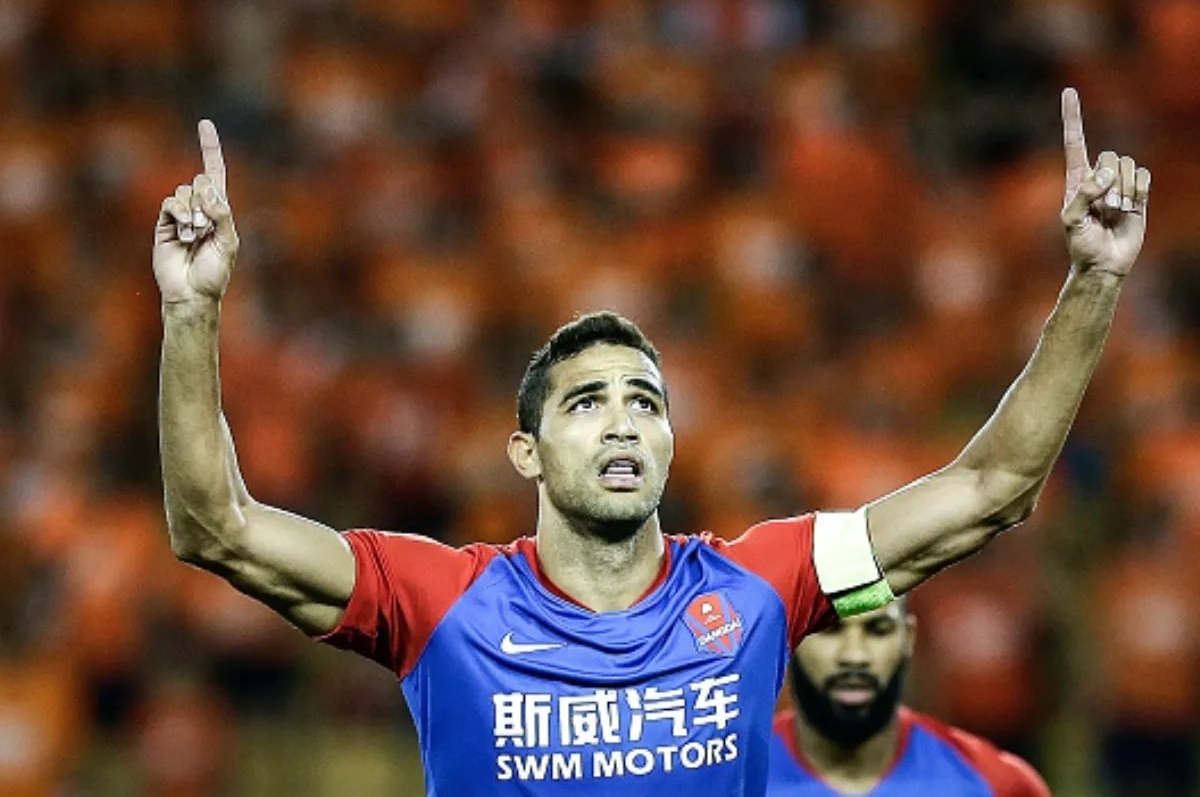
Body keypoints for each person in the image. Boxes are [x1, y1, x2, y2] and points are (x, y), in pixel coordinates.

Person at [153, 88, 1148, 796]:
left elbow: (993, 487)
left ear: (672, 442)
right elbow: (217, 529)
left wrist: (1094, 281)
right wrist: (192, 314)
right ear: (526, 453)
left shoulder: (762, 587)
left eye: (645, 401)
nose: (623, 419)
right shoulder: (440, 601)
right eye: (586, 403)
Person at [768, 598, 1050, 795]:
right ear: (791, 638)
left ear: (909, 637)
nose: (854, 656)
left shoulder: (998, 784)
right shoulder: (740, 776)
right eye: (828, 630)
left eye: (878, 630)